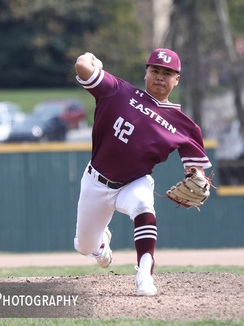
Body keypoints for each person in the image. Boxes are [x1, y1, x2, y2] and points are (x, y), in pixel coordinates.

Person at [73, 49, 212, 296]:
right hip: (96, 181)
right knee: (84, 247)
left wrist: (197, 178)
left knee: (144, 206)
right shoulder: (118, 90)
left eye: (167, 73)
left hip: (133, 182)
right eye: (155, 70)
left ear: (177, 79)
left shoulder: (185, 126)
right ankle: (100, 244)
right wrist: (93, 59)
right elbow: (82, 66)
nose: (160, 77)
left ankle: (144, 274)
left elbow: (195, 169)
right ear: (146, 73)